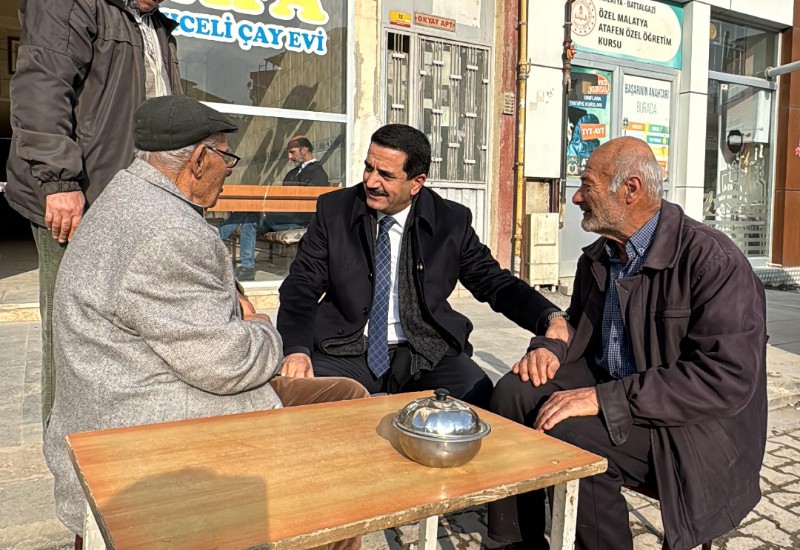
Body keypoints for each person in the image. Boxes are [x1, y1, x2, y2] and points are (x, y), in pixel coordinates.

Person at [44, 96, 368, 545]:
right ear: (199, 159)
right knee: (338, 451)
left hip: (125, 392)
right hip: (149, 422)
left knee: (345, 393)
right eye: (226, 155)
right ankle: (321, 524)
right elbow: (229, 366)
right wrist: (260, 326)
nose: (230, 167)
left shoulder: (122, 197)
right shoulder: (170, 232)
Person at [487, 137, 767, 550]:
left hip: (691, 429)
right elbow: (581, 332)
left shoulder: (713, 261)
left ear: (630, 190)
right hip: (621, 395)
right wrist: (550, 347)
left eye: (587, 186)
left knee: (574, 436)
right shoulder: (600, 256)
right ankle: (517, 543)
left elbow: (725, 379)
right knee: (512, 393)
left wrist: (606, 399)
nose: (577, 197)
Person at [277, 124, 570, 408]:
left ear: (416, 182)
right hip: (346, 346)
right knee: (301, 399)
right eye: (369, 168)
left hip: (423, 349)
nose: (371, 182)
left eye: (386, 175)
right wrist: (296, 350)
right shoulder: (334, 210)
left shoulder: (450, 222)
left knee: (477, 397)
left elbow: (494, 282)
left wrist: (549, 316)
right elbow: (301, 284)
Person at [5, 0, 182, 425]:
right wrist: (59, 182)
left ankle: (117, 435)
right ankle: (68, 447)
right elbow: (41, 89)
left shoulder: (156, 25)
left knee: (127, 327)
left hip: (135, 199)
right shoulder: (72, 4)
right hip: (79, 200)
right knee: (74, 331)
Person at [219, 136, 329, 281]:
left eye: (292, 152)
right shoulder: (292, 173)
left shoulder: (317, 173)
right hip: (283, 216)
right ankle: (245, 266)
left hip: (298, 220)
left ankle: (220, 238)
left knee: (250, 215)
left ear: (304, 150)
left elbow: (310, 204)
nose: (290, 157)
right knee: (248, 213)